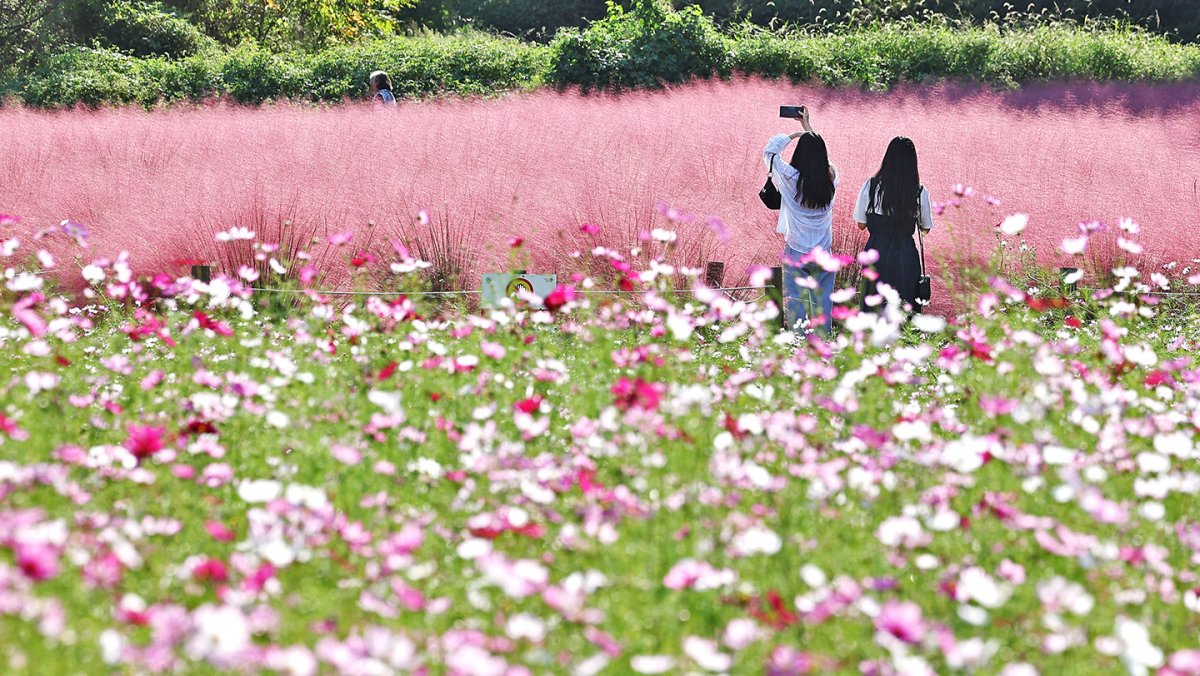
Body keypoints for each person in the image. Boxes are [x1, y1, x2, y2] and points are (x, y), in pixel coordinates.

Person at [763, 107, 839, 335]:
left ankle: (799, 349)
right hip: (824, 252)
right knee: (823, 304)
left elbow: (770, 154)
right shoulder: (831, 179)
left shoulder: (790, 178)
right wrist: (808, 130)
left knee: (797, 305)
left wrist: (794, 136)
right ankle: (823, 346)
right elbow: (824, 161)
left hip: (797, 250)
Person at [852, 136, 934, 313]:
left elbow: (861, 224)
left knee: (873, 304)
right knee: (905, 304)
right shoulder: (919, 192)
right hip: (905, 254)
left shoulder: (871, 187)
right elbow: (925, 228)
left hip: (876, 252)